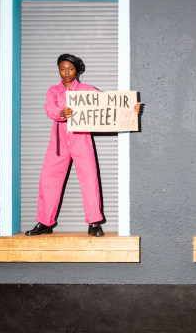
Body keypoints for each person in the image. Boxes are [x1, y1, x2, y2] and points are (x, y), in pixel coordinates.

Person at [26, 54, 140, 237]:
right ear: (58, 70)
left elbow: (109, 106)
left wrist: (131, 110)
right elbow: (50, 109)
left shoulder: (86, 90)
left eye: (70, 68)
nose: (66, 72)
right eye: (62, 68)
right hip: (59, 142)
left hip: (81, 139)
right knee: (48, 180)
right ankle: (45, 222)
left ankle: (94, 223)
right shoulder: (53, 90)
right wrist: (61, 112)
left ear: (77, 71)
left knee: (90, 180)